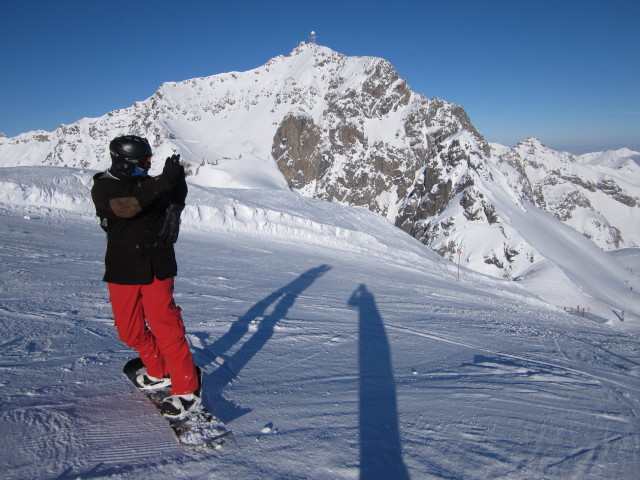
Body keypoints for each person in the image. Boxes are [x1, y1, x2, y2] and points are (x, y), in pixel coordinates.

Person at [91, 135, 200, 419]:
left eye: (149, 161)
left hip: (157, 266)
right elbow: (124, 208)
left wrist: (176, 191)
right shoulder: (104, 187)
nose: (147, 166)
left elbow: (174, 194)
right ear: (124, 162)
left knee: (166, 327)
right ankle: (158, 370)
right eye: (143, 162)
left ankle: (186, 389)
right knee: (129, 331)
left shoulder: (149, 184)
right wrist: (164, 181)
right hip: (124, 268)